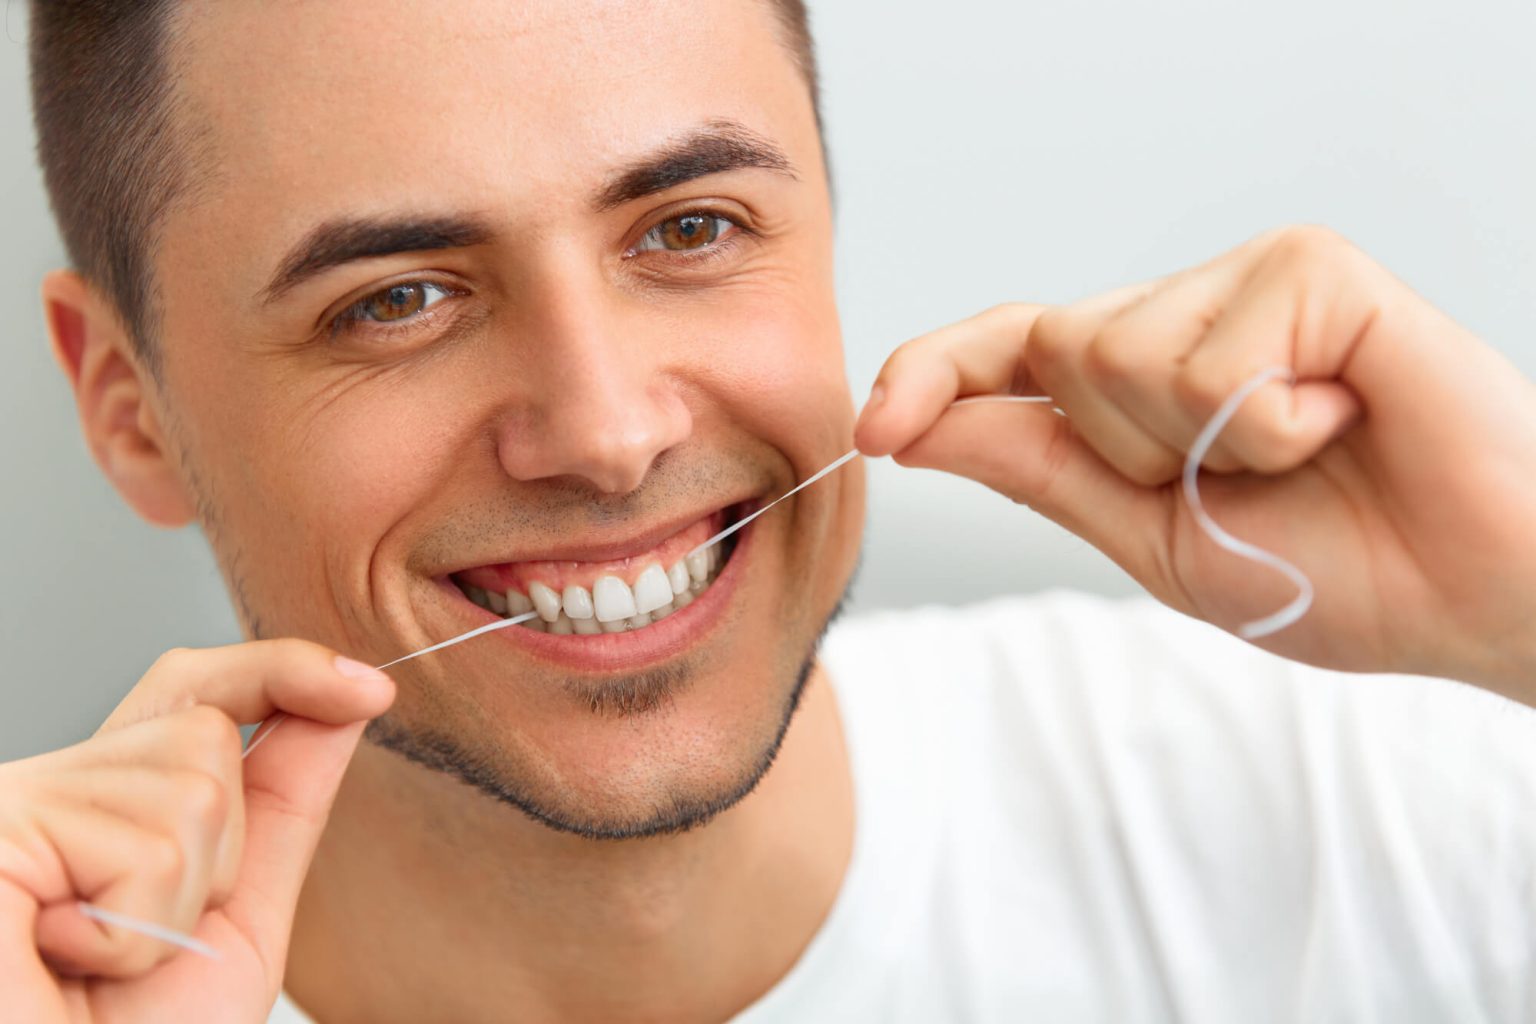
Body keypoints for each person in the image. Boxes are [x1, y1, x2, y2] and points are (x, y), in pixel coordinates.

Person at [4, 0, 1535, 1020]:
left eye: (690, 227)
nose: (606, 433)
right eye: (398, 298)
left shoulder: (1365, 803)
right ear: (127, 405)